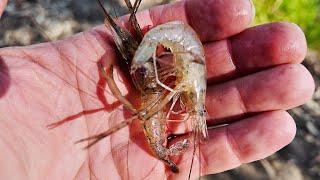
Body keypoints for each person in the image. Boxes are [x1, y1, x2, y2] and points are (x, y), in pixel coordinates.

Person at [0, 0, 315, 179]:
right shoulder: (158, 73)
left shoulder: (165, 79)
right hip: (157, 96)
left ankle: (166, 151)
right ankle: (165, 150)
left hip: (158, 99)